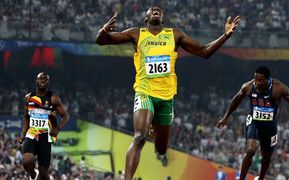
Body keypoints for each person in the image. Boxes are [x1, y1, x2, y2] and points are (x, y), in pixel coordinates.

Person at [96, 6, 240, 180]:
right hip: (145, 92)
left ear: (163, 19)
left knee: (161, 149)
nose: (156, 10)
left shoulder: (175, 35)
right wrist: (103, 30)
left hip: (166, 97)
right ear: (146, 18)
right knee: (139, 137)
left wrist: (225, 36)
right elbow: (101, 41)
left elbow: (204, 51)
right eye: (152, 10)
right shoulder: (136, 34)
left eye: (159, 10)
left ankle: (154, 126)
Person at [216, 66, 289, 180]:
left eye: (261, 80)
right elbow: (236, 100)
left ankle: (260, 178)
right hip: (254, 122)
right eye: (256, 79)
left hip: (270, 126)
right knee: (251, 150)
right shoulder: (248, 86)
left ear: (268, 79)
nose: (257, 82)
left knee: (266, 157)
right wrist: (225, 117)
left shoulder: (279, 88)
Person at [16, 72, 69, 180]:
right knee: (27, 161)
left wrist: (58, 128)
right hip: (32, 134)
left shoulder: (53, 98)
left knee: (44, 173)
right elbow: (26, 117)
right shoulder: (28, 98)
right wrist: (23, 134)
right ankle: (32, 175)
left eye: (45, 79)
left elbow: (65, 116)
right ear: (36, 81)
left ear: (48, 82)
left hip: (45, 136)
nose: (43, 81)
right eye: (40, 79)